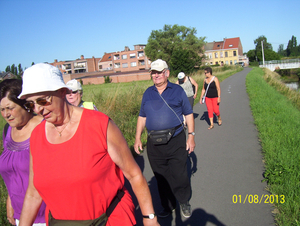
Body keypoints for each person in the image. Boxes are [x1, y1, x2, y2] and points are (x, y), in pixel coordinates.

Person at [17, 63, 159, 226]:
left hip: (108, 220)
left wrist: (150, 218)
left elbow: (134, 175)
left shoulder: (99, 125)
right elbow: (34, 192)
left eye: (43, 100)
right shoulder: (36, 136)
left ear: (63, 92)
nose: (38, 109)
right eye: (30, 104)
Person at [134, 59, 195, 219]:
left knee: (179, 173)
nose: (156, 75)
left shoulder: (177, 90)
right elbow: (142, 116)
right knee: (161, 176)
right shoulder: (148, 93)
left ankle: (183, 201)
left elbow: (188, 114)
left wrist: (191, 136)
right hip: (154, 143)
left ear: (167, 73)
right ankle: (168, 206)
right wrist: (137, 138)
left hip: (175, 139)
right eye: (153, 72)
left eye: (159, 72)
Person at [0, 79, 46, 226]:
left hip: (47, 216)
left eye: (10, 108)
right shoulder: (7, 132)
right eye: (2, 109)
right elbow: (13, 175)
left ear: (25, 105)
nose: (6, 114)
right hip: (20, 216)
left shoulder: (44, 128)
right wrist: (10, 202)